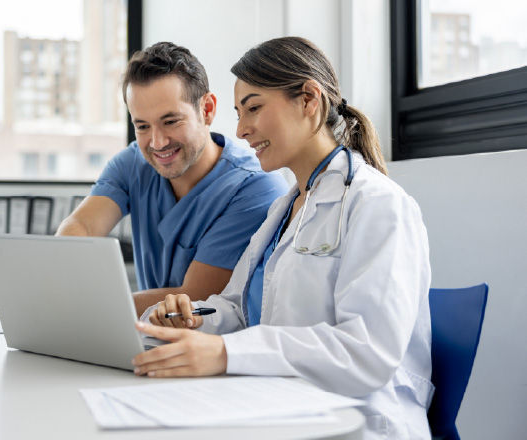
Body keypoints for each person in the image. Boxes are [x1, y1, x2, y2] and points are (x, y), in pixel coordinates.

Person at [133, 37, 434, 440]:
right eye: (240, 113)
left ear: (309, 99)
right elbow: (238, 309)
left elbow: (368, 353)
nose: (241, 130)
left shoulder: (378, 204)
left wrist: (225, 353)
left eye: (254, 108)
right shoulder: (285, 209)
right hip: (280, 406)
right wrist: (189, 322)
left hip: (358, 422)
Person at [57, 42, 288, 316]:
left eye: (170, 121)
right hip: (145, 339)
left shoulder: (255, 187)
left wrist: (88, 304)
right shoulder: (134, 163)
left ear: (207, 109)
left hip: (215, 348)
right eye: (142, 126)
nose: (157, 142)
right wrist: (63, 274)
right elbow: (81, 225)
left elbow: (194, 296)